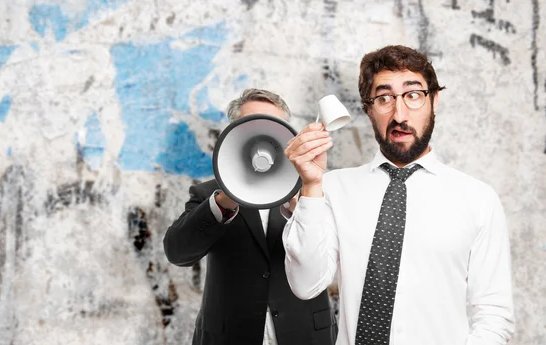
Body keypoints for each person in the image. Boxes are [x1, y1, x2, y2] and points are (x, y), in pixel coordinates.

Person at [282, 45, 515, 345]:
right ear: (368, 109)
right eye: (384, 98)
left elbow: (494, 316)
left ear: (434, 100)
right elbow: (305, 284)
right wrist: (311, 186)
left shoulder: (478, 199)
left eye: (413, 95)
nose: (399, 114)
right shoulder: (332, 188)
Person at [164, 88, 337, 345]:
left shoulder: (315, 188)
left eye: (272, 126)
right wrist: (226, 199)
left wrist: (301, 203)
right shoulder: (208, 193)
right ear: (234, 134)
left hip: (305, 333)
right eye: (252, 125)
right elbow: (178, 253)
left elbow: (327, 261)